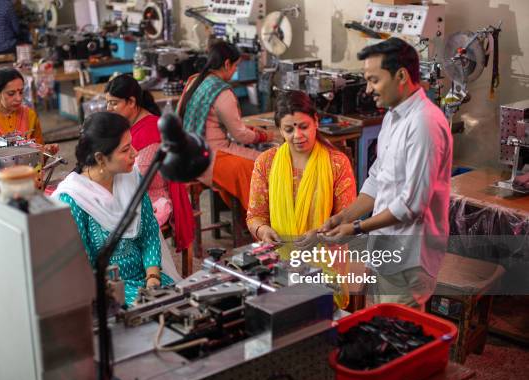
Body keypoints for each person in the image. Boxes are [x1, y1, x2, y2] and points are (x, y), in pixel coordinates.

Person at [317, 38, 452, 309]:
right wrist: (344, 216)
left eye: (374, 80)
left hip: (411, 255)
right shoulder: (393, 115)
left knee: (399, 337)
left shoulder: (424, 124)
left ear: (401, 75)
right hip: (387, 247)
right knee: (381, 327)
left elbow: (411, 205)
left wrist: (355, 228)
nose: (368, 90)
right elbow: (378, 179)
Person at [247, 91, 357, 308]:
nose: (297, 135)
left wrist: (318, 235)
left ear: (316, 121)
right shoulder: (266, 163)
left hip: (326, 265)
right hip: (279, 264)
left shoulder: (337, 164)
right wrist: (262, 231)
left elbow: (346, 220)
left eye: (304, 126)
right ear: (279, 130)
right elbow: (255, 215)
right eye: (289, 129)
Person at [53, 112, 174, 306]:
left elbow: (150, 234)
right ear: (100, 158)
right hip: (108, 294)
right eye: (126, 150)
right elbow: (84, 269)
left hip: (149, 280)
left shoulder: (132, 178)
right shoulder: (73, 199)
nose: (135, 153)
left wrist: (153, 278)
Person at [105, 74, 194, 269]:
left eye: (113, 104)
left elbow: (138, 178)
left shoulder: (150, 131)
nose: (108, 110)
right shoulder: (131, 127)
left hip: (153, 197)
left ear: (131, 102)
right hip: (136, 191)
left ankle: (133, 275)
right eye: (107, 104)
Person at [177, 40, 273, 210]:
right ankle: (260, 220)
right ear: (227, 63)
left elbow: (182, 115)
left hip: (186, 156)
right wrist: (265, 135)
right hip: (210, 159)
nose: (235, 70)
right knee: (262, 164)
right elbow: (240, 135)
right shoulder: (222, 92)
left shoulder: (194, 81)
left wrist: (248, 131)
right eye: (235, 66)